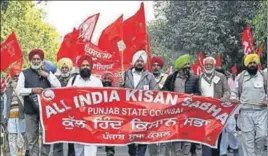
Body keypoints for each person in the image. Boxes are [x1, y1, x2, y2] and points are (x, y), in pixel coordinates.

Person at [16, 49, 61, 156]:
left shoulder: (48, 73)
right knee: (32, 138)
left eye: (38, 59)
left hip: (46, 112)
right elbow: (18, 90)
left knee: (46, 136)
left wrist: (47, 76)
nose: (36, 61)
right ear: (31, 60)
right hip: (30, 111)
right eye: (34, 59)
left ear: (42, 60)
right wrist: (32, 90)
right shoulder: (24, 73)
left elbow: (58, 87)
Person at [119, 50, 158, 156]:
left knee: (143, 137)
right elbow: (117, 92)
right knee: (130, 137)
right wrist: (121, 86)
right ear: (134, 62)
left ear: (144, 63)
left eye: (142, 61)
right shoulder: (125, 74)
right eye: (138, 60)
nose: (140, 62)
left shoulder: (149, 76)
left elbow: (156, 92)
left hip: (144, 112)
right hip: (129, 111)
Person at [161, 54, 200, 156]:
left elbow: (198, 93)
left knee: (188, 136)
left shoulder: (194, 78)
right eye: (185, 64)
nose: (187, 66)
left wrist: (193, 96)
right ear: (179, 67)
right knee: (176, 134)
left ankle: (186, 153)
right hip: (175, 112)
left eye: (188, 64)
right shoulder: (171, 77)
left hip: (189, 111)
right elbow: (164, 90)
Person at [230, 54, 267, 156]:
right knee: (248, 139)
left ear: (257, 64)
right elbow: (234, 92)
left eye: (254, 62)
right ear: (246, 64)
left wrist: (267, 101)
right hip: (245, 112)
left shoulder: (264, 76)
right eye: (250, 63)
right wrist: (234, 99)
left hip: (261, 112)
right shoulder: (240, 77)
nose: (252, 65)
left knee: (262, 136)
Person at [67, 55, 103, 156]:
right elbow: (65, 97)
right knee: (78, 147)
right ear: (80, 67)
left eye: (87, 65)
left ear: (91, 67)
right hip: (77, 119)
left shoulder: (97, 82)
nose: (85, 67)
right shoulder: (73, 80)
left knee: (91, 147)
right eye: (83, 65)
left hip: (92, 119)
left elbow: (103, 100)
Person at [198, 57, 230, 156]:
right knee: (204, 138)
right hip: (203, 112)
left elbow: (227, 91)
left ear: (214, 65)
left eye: (210, 64)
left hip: (216, 112)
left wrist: (222, 100)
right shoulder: (198, 77)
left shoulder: (221, 77)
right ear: (203, 65)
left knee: (216, 138)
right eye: (206, 64)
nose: (208, 66)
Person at [54, 57, 76, 156]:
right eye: (62, 68)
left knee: (72, 137)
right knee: (58, 137)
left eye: (66, 67)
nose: (64, 69)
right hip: (58, 111)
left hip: (72, 111)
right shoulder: (55, 78)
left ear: (70, 68)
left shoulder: (75, 78)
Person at [148, 56, 168, 156]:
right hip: (150, 111)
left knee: (164, 135)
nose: (156, 67)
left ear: (161, 67)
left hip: (164, 110)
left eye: (158, 65)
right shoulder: (147, 77)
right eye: (154, 65)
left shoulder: (166, 77)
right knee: (151, 135)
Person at [100, 71, 116, 156]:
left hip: (111, 115)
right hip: (99, 114)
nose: (106, 80)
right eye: (105, 79)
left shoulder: (116, 90)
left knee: (110, 132)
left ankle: (110, 150)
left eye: (108, 79)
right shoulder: (97, 88)